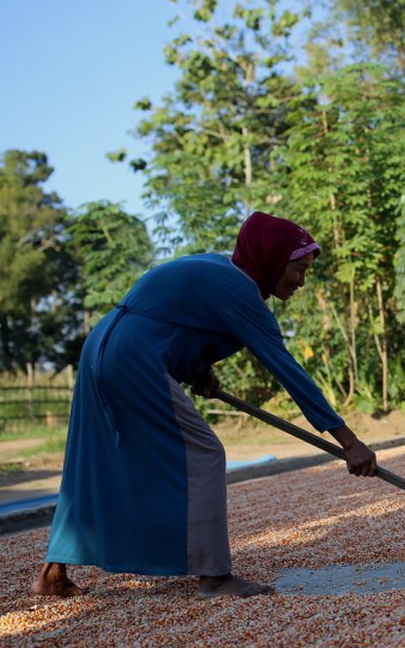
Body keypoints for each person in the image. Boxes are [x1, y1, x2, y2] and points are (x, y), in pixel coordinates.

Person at [32, 211, 377, 599]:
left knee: (92, 455)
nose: (301, 280)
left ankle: (52, 575)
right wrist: (349, 442)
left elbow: (175, 319)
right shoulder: (241, 291)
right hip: (135, 357)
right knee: (204, 454)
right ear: (272, 258)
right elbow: (289, 372)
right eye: (299, 269)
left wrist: (197, 370)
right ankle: (214, 576)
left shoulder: (219, 268)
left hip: (102, 346)